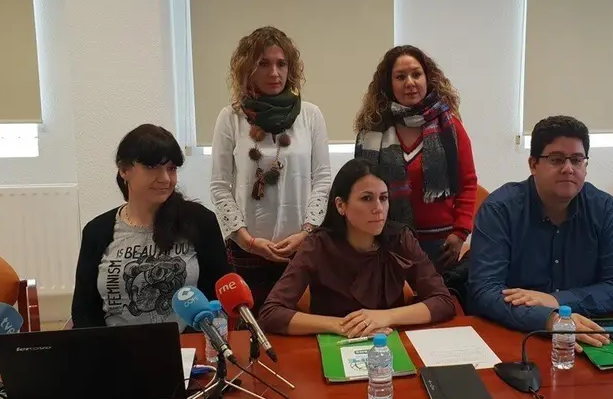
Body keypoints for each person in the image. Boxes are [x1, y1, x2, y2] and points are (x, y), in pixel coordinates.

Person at [467, 116, 613, 342]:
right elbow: (485, 291)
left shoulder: (603, 208)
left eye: (577, 160)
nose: (568, 169)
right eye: (556, 160)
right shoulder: (500, 210)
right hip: (514, 333)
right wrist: (550, 319)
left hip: (588, 331)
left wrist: (557, 301)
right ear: (533, 164)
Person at [257, 158, 456, 336]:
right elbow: (271, 313)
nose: (378, 208)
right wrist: (342, 325)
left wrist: (385, 317)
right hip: (332, 345)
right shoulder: (317, 245)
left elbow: (443, 301)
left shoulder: (401, 239)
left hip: (388, 343)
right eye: (366, 198)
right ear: (340, 205)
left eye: (383, 198)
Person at [210, 27, 331, 306]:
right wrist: (247, 241)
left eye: (281, 64)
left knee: (301, 328)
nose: (274, 73)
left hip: (302, 251)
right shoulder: (230, 118)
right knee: (252, 328)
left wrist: (306, 233)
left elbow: (323, 179)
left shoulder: (310, 115)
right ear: (247, 69)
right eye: (263, 64)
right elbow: (219, 186)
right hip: (247, 254)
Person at [72, 125, 227, 328]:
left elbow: (218, 299)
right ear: (124, 170)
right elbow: (84, 311)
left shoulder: (201, 221)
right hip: (116, 345)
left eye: (171, 168)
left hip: (185, 345)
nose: (165, 179)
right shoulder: (97, 231)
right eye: (153, 167)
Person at [354, 45, 478, 272]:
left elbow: (468, 183)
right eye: (400, 77)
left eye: (416, 74)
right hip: (387, 241)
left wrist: (460, 232)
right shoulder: (372, 130)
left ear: (427, 78)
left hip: (442, 246)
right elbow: (360, 187)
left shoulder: (450, 127)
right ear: (389, 84)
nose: (410, 82)